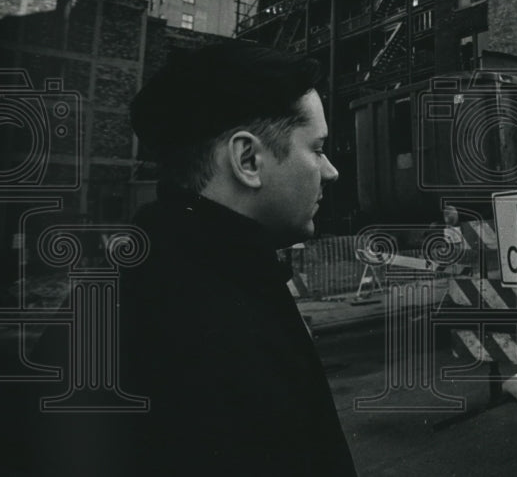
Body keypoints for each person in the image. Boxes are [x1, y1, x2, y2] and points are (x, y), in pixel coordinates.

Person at [25, 40, 357, 476]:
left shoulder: (140, 288)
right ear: (248, 159)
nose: (330, 171)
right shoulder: (203, 314)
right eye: (316, 148)